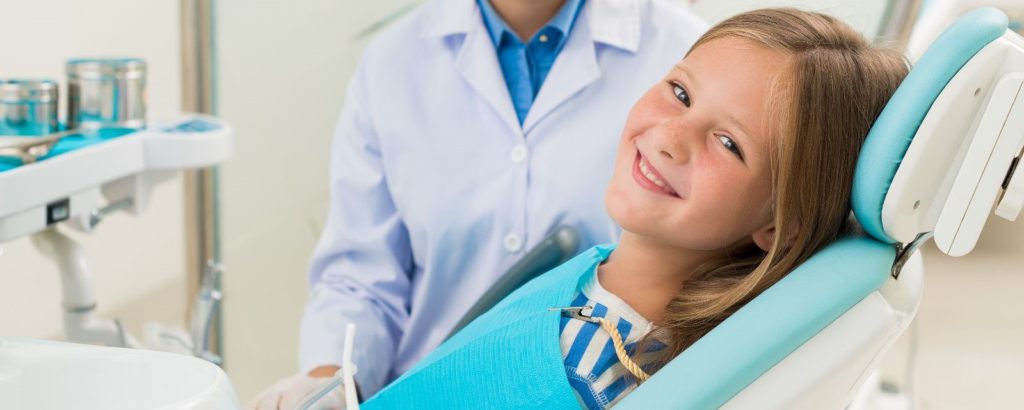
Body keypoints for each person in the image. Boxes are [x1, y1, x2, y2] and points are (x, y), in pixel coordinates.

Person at [358, 8, 910, 409]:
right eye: (681, 93)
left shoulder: (587, 376)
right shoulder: (598, 285)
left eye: (729, 144)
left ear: (778, 226)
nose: (671, 137)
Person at [250, 0, 708, 408]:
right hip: (425, 390)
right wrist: (326, 384)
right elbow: (361, 279)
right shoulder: (392, 63)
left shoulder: (682, 52)